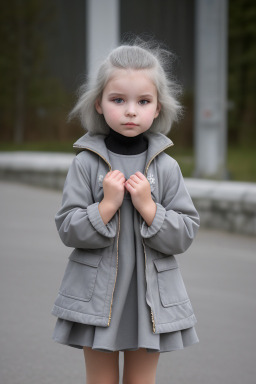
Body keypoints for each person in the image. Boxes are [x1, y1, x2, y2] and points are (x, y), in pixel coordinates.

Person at [52, 38, 200, 384]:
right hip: (96, 297)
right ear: (99, 104)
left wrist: (150, 207)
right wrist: (106, 206)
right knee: (101, 380)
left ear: (158, 107)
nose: (131, 110)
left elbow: (185, 232)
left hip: (150, 301)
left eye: (143, 101)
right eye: (118, 100)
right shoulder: (86, 164)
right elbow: (68, 228)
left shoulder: (166, 167)